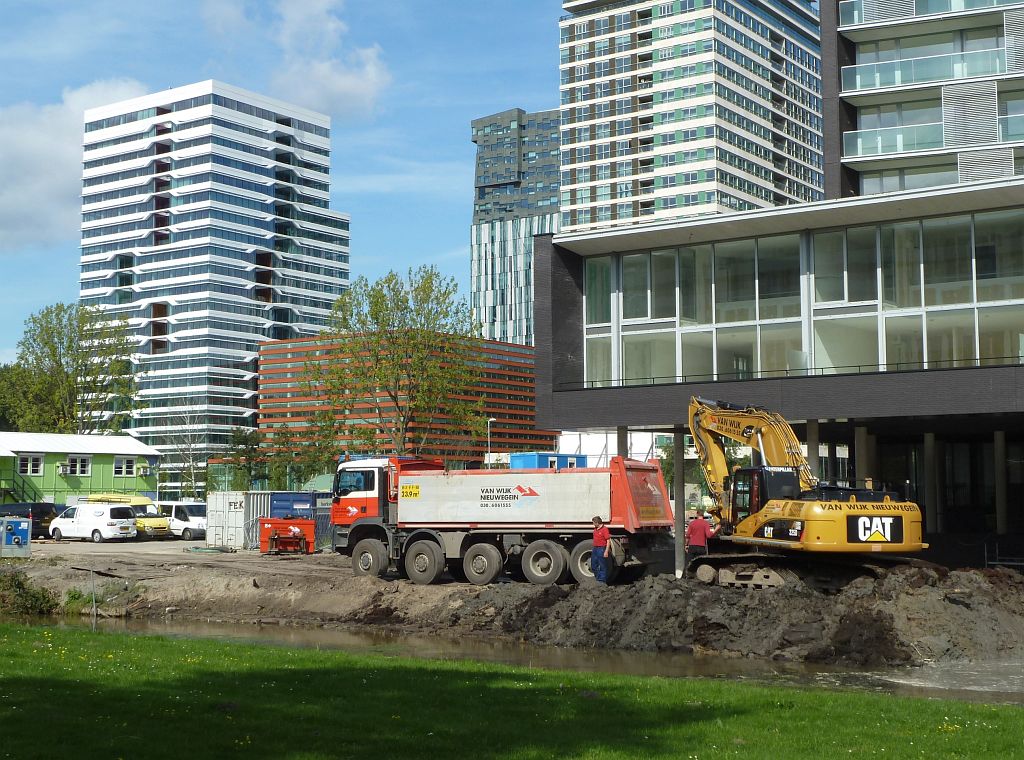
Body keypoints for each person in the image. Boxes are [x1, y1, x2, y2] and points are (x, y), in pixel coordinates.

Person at [591, 516, 611, 584]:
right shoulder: (595, 529)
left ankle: (602, 581)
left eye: (593, 523)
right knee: (593, 565)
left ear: (597, 523)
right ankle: (598, 578)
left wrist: (606, 551)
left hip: (601, 548)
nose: (593, 524)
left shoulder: (604, 529)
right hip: (595, 548)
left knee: (602, 565)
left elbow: (608, 540)